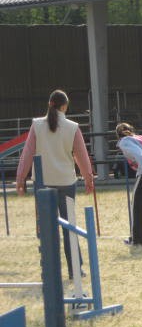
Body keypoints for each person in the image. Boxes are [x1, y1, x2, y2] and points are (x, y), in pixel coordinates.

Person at [15, 89, 95, 279]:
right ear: (64, 106)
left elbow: (26, 155)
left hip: (43, 184)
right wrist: (89, 178)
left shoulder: (37, 125)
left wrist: (20, 179)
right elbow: (81, 157)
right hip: (66, 181)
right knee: (70, 227)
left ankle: (49, 270)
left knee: (45, 227)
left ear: (49, 103)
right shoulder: (73, 127)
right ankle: (76, 270)